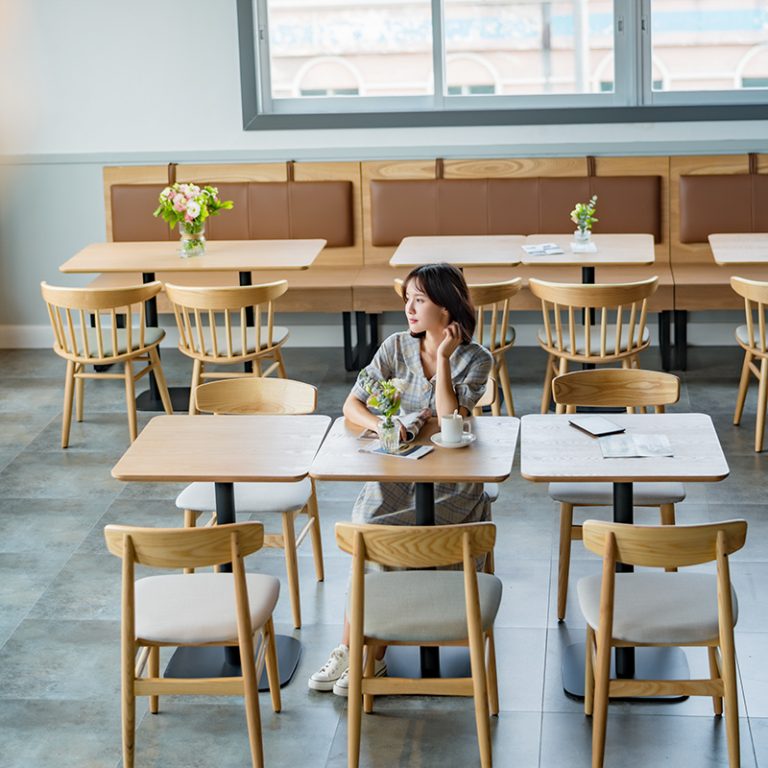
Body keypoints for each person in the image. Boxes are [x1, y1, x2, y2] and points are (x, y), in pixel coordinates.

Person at [308, 262, 494, 696]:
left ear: (446, 310)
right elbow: (352, 406)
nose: (408, 309)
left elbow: (451, 419)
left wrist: (444, 361)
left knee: (391, 539)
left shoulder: (477, 358)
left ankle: (364, 655)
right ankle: (358, 651)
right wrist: (380, 426)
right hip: (396, 472)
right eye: (406, 299)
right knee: (369, 533)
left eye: (419, 300)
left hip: (453, 482)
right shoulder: (394, 347)